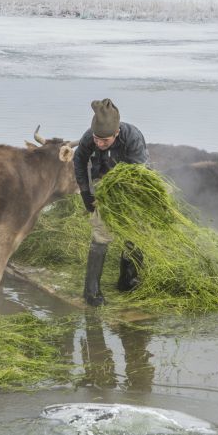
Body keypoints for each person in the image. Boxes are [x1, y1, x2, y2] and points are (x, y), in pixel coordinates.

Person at [73, 99, 149, 306]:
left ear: (116, 133)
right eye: (96, 139)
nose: (98, 143)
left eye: (104, 141)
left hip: (132, 185)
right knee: (101, 232)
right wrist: (85, 192)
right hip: (102, 184)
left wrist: (124, 200)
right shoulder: (90, 136)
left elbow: (138, 173)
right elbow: (79, 161)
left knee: (134, 232)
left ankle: (128, 280)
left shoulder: (132, 137)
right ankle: (91, 292)